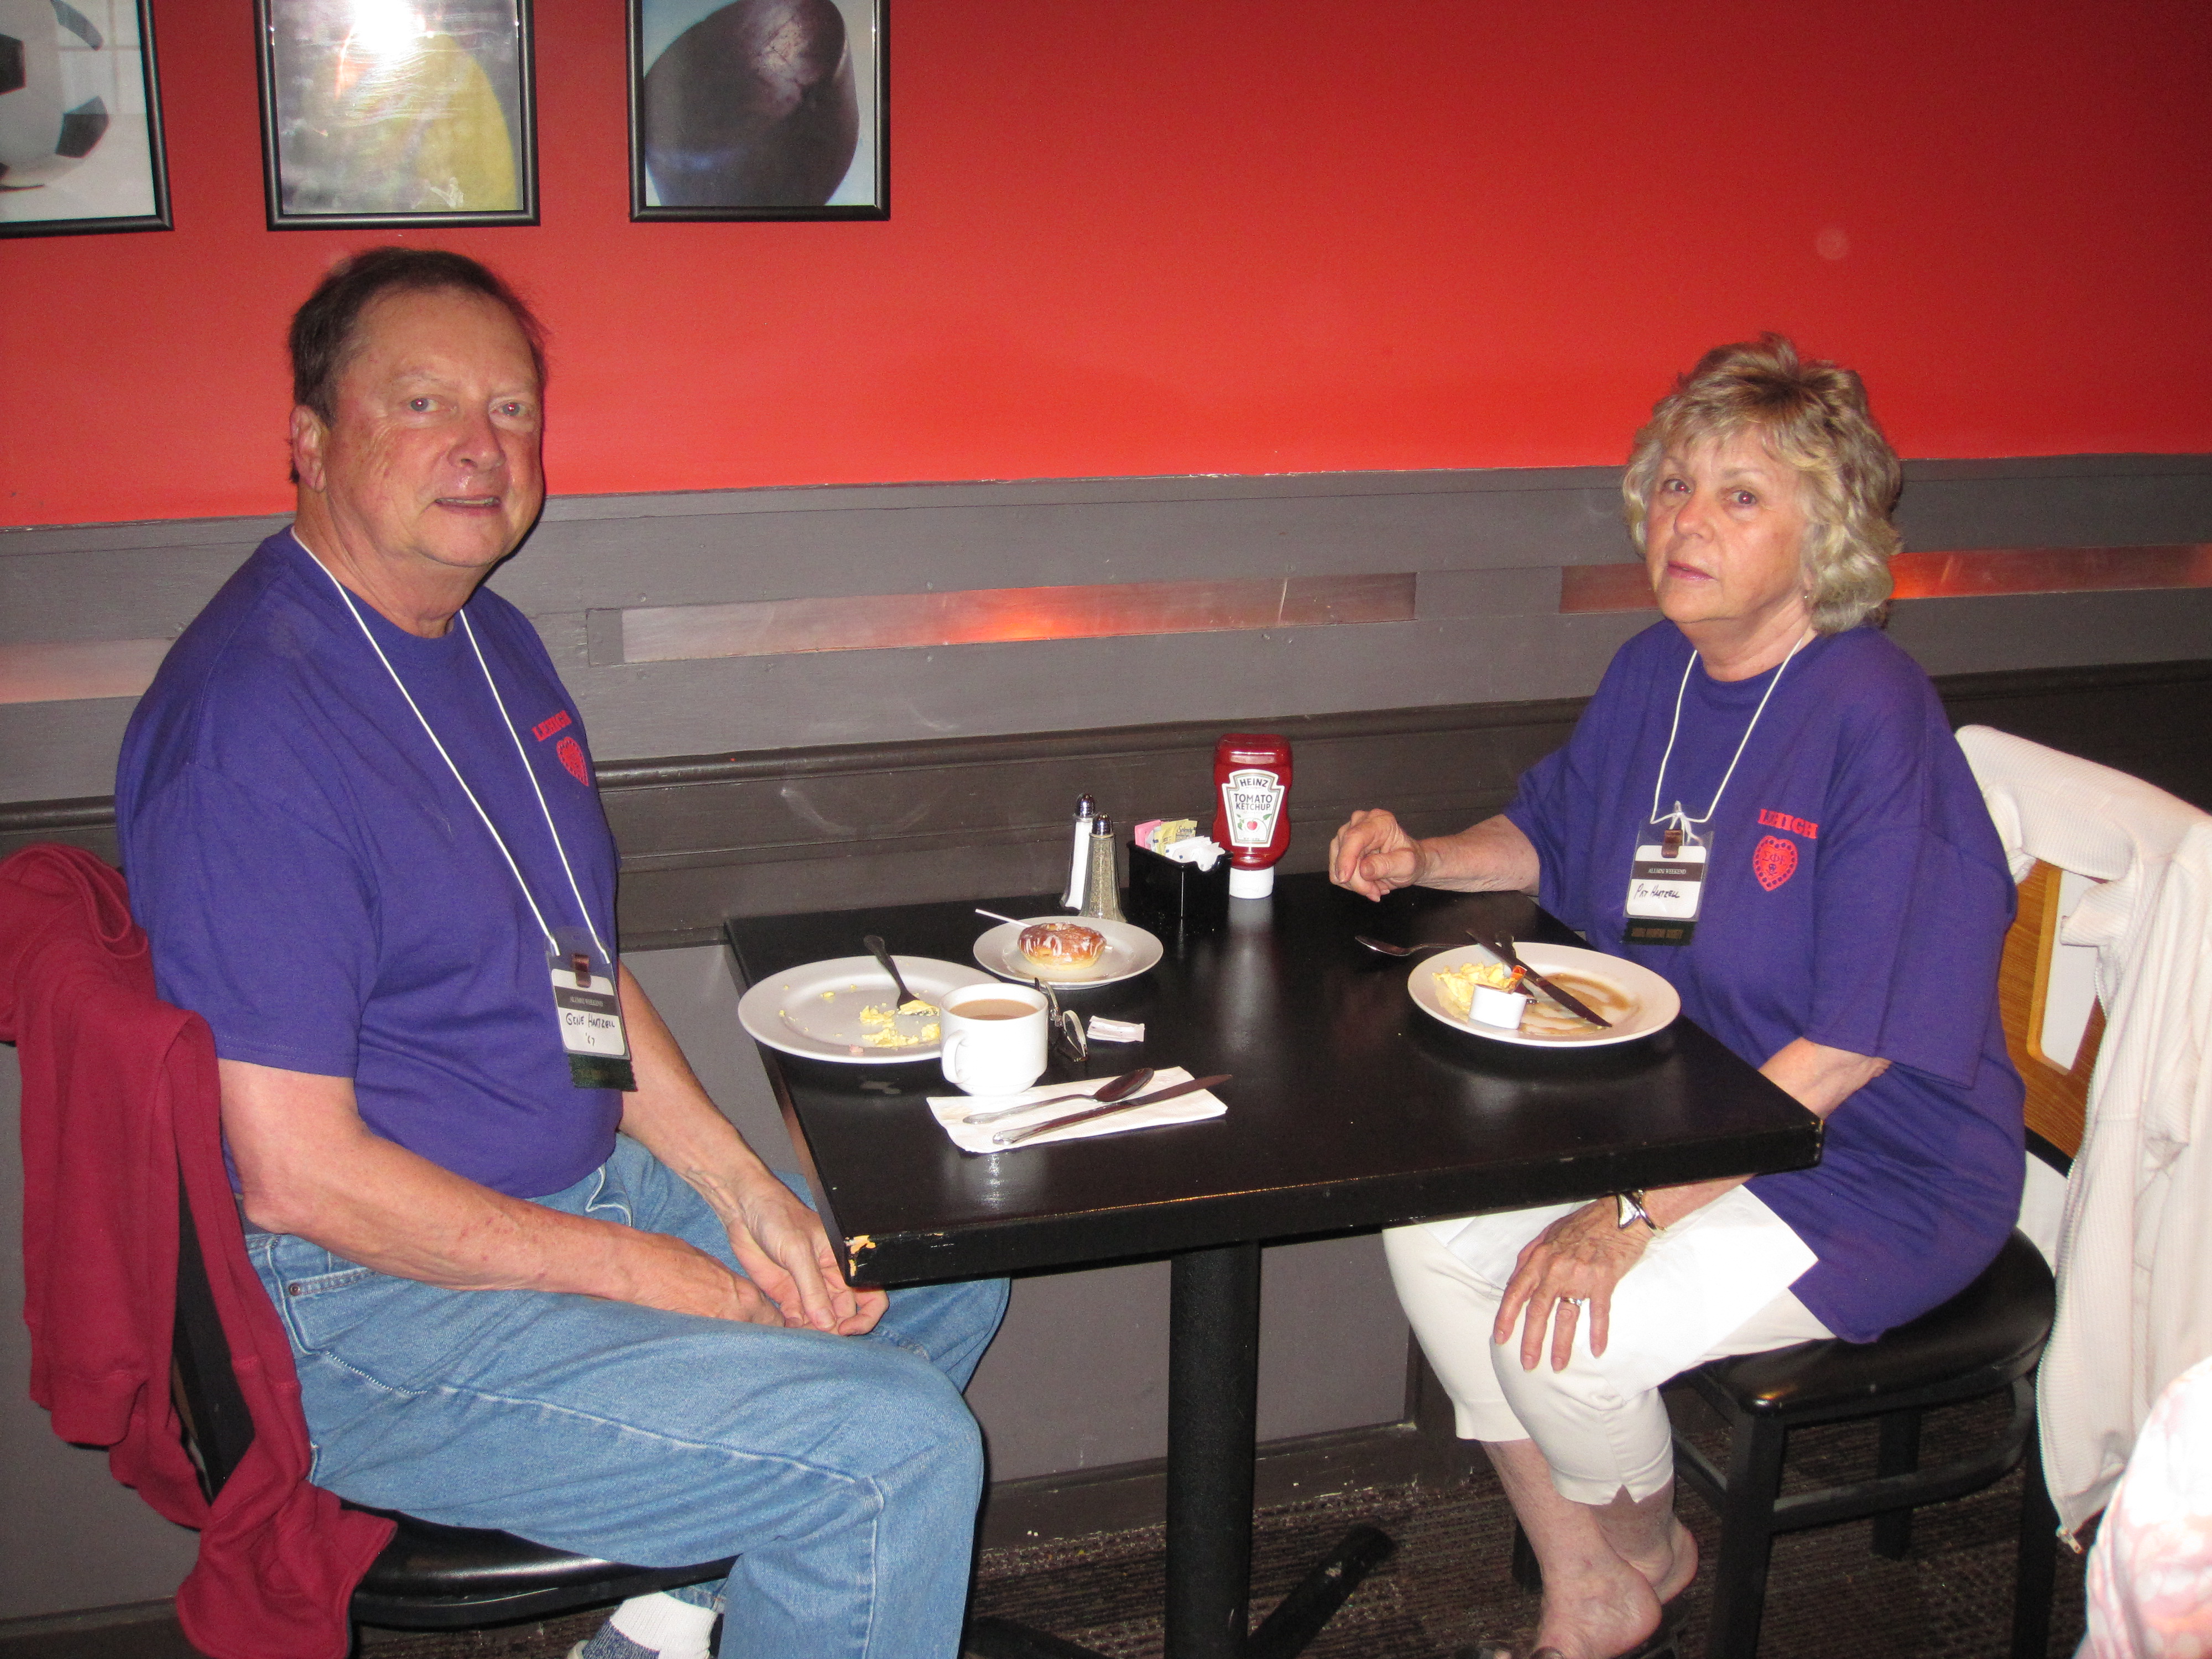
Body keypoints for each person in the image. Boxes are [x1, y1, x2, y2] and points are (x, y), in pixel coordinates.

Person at [114, 248, 1008, 1659]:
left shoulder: (486, 638)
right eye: (423, 402)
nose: (481, 445)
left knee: (938, 1262)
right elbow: (300, 1179)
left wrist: (733, 1187)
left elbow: (570, 964)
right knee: (888, 1449)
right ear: (310, 439)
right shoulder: (252, 729)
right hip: (370, 1303)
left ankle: (659, 1631)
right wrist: (657, 1276)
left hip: (577, 1192)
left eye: (512, 408)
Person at [1328, 336, 2025, 1659]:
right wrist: (1425, 859)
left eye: (1738, 496)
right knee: (1430, 1232)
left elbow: (1855, 1046)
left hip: (1869, 1160)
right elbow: (1555, 832)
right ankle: (1587, 1583)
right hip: (1687, 1112)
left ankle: (1647, 1553)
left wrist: (1628, 1213)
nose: (1683, 521)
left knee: (1564, 1340)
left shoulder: (1870, 708)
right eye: (1670, 487)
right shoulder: (1654, 671)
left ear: (1824, 537)